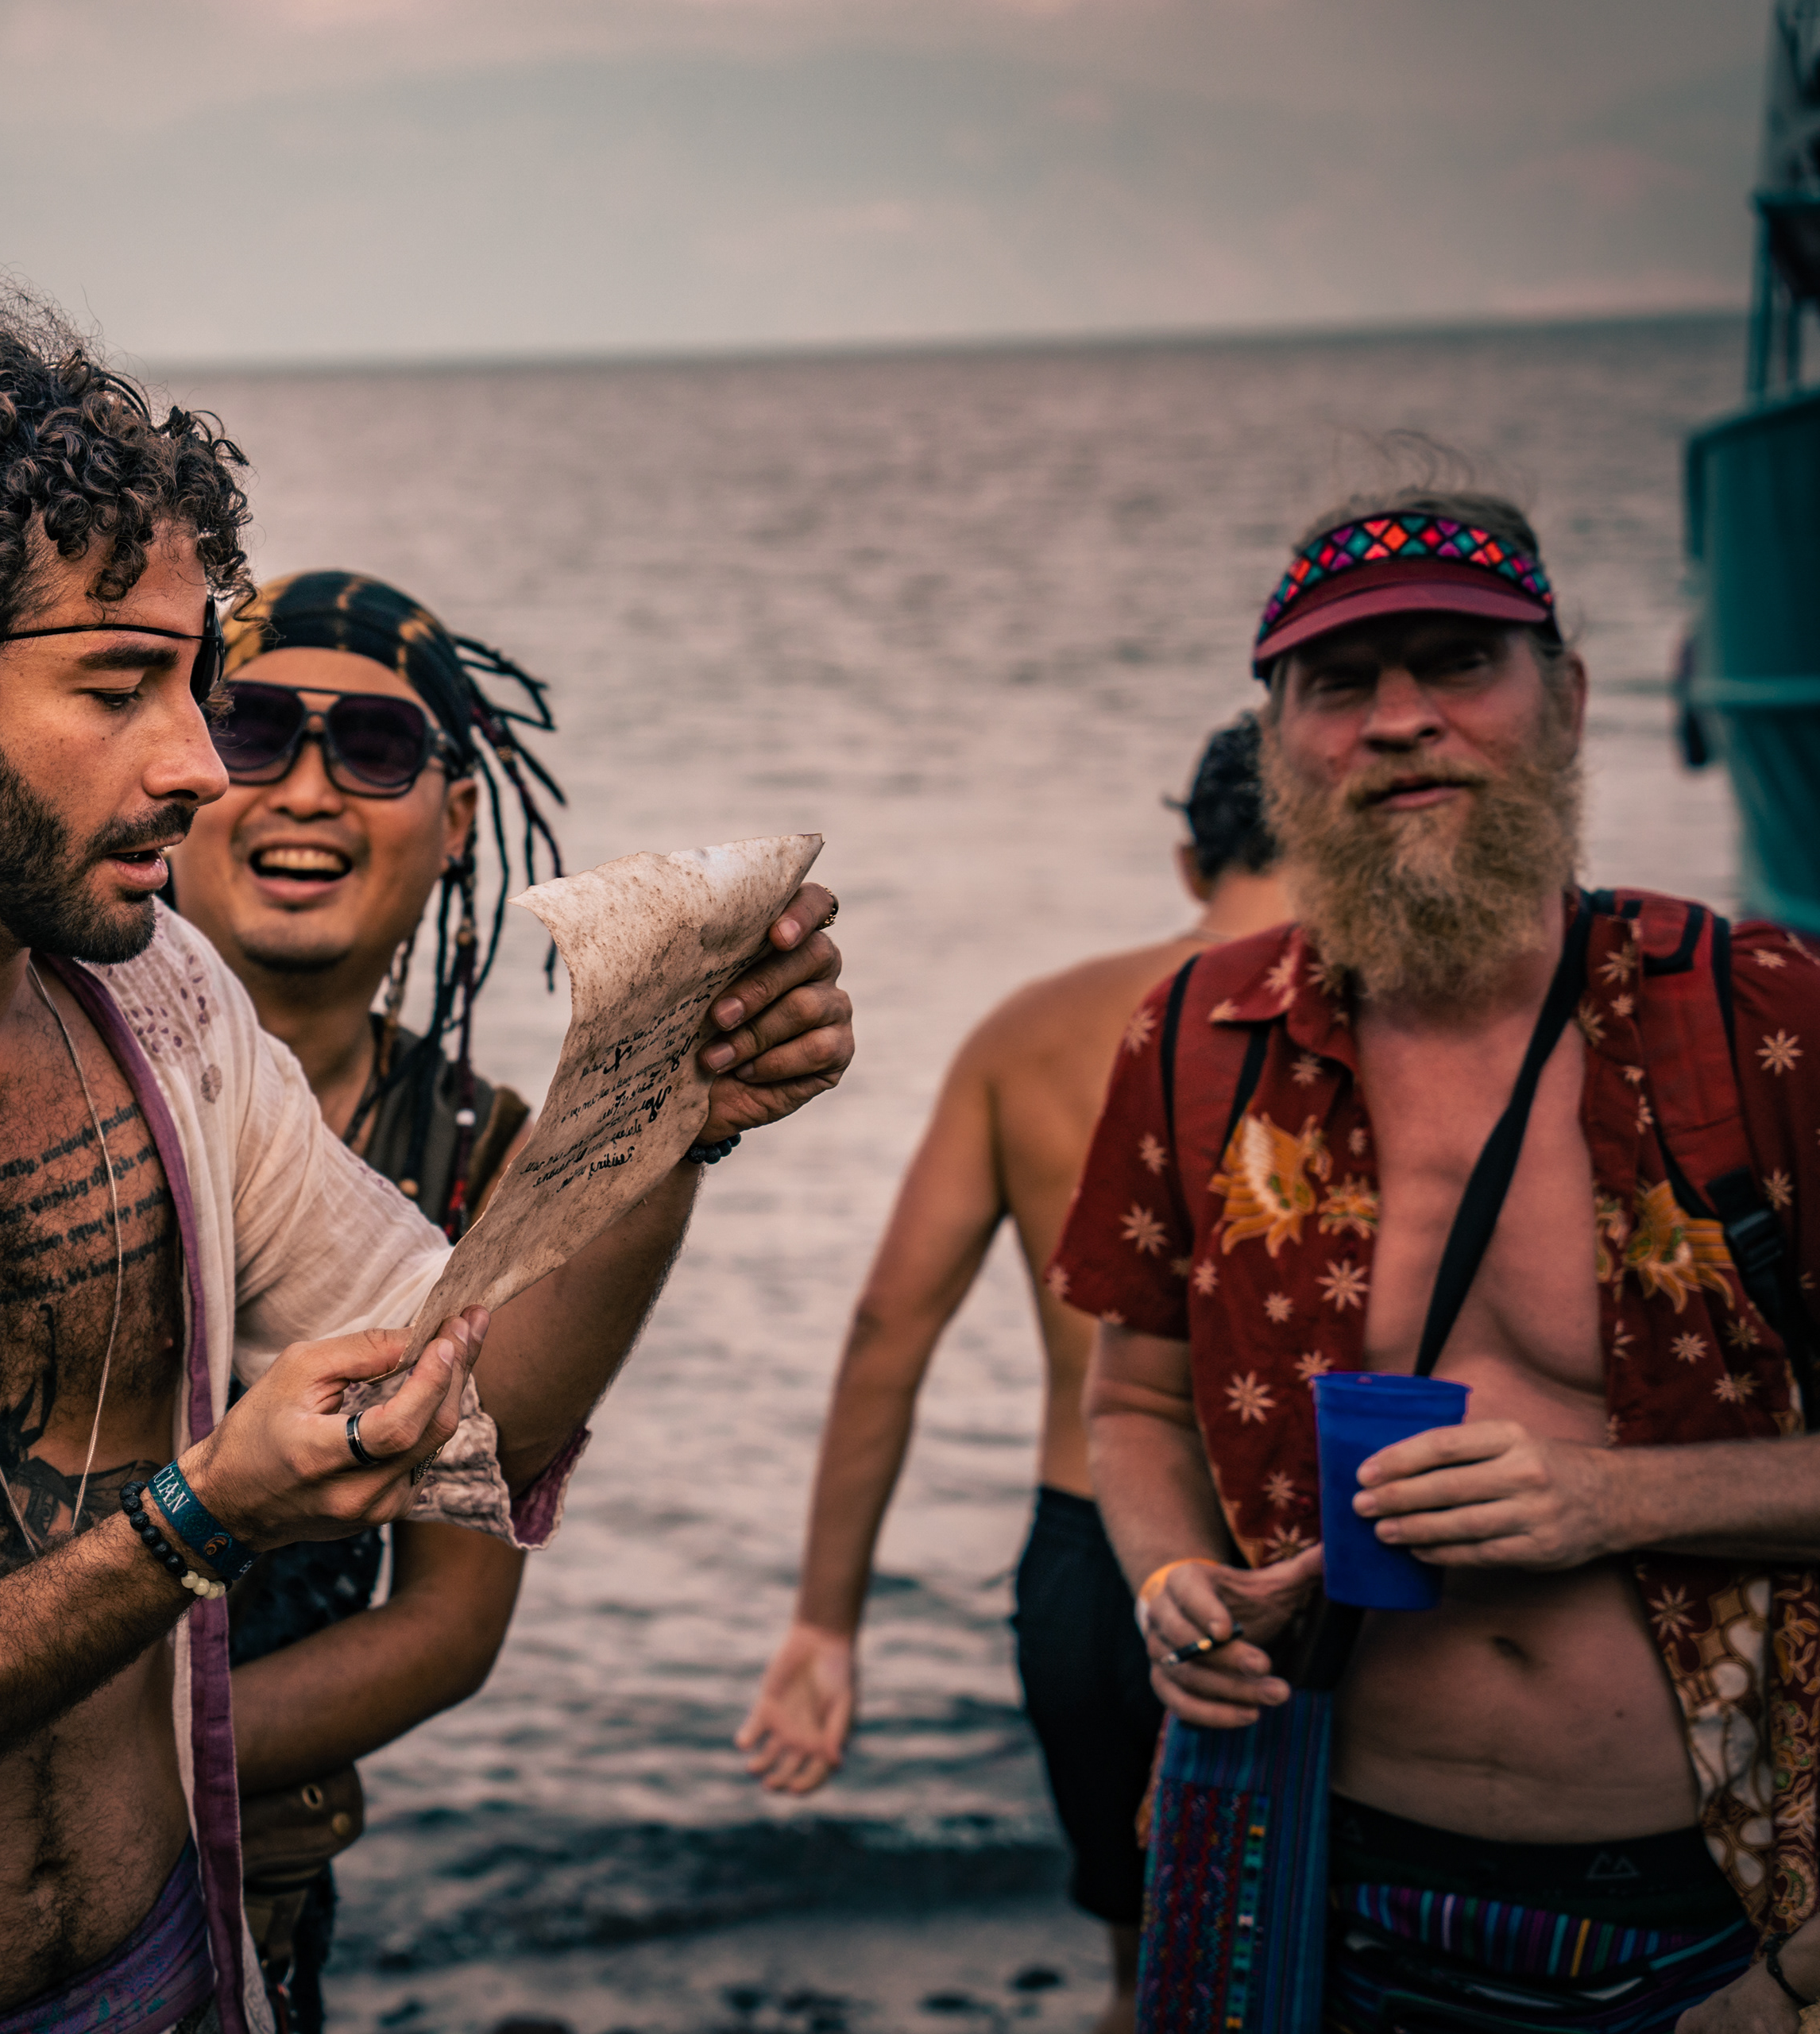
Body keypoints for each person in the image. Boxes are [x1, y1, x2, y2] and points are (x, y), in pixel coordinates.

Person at [0, 291, 855, 2034]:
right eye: (119, 684)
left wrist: (673, 1116)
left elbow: (473, 1397)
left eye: (195, 678)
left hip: (181, 1977)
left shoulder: (157, 1003)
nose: (198, 763)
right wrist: (195, 1519)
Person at [1048, 485, 1820, 2030]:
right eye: (1343, 682)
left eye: (1457, 661)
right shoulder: (1205, 1036)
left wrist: (1621, 1496)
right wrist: (1173, 1582)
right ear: (1282, 743)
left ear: (1572, 699)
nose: (1400, 720)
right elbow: (1129, 1405)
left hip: (1725, 1908)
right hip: (1307, 1883)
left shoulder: (1761, 1015)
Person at [737, 714, 1293, 2034]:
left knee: (1140, 1971)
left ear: (1186, 859)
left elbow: (891, 1328)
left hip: (1098, 1565)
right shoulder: (1396, 1023)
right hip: (1312, 1563)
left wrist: (826, 1622)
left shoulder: (1032, 1029)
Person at [166, 570, 566, 2028]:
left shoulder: (486, 1156)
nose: (312, 790)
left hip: (254, 1858)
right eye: (255, 731)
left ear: (456, 820)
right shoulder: (31, 1042)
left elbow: (448, 1623)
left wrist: (140, 1774)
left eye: (379, 751)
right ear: (181, 766)